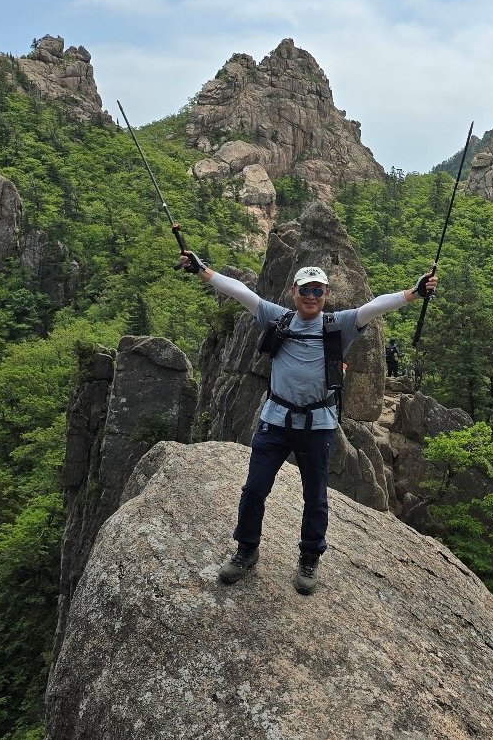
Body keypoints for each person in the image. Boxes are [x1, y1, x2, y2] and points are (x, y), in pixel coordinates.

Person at [180, 251, 437, 594]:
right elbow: (242, 292)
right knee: (254, 488)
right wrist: (203, 271)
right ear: (294, 292)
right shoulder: (278, 318)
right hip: (276, 419)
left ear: (326, 295)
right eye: (306, 290)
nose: (311, 297)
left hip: (318, 424)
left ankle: (309, 558)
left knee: (315, 496)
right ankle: (246, 549)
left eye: (318, 291)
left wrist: (414, 293)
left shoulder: (339, 325)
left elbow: (375, 307)